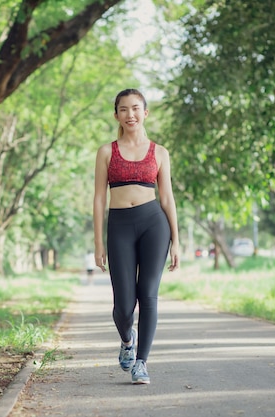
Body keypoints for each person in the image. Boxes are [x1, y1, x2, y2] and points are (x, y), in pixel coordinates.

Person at [93, 88, 180, 385]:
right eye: (124, 109)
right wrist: (97, 243)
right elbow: (97, 199)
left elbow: (167, 199)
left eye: (136, 108)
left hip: (154, 224)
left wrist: (176, 241)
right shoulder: (107, 152)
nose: (130, 114)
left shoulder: (160, 152)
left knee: (149, 295)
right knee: (123, 305)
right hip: (119, 225)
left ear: (145, 112)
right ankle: (127, 340)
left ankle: (141, 363)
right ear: (116, 114)